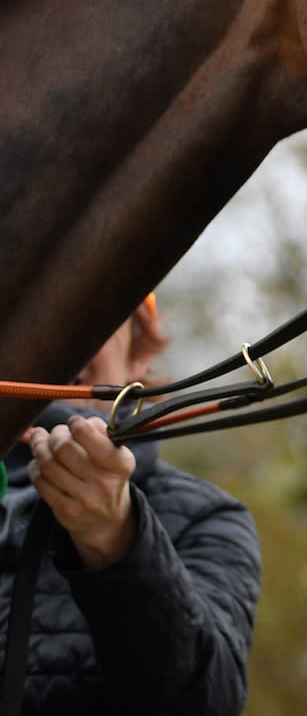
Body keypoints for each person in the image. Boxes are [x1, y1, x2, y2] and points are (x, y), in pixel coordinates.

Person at [0, 297, 261, 714]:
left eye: (92, 318)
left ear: (138, 352)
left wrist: (114, 539)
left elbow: (205, 703)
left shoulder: (207, 519)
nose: (57, 341)